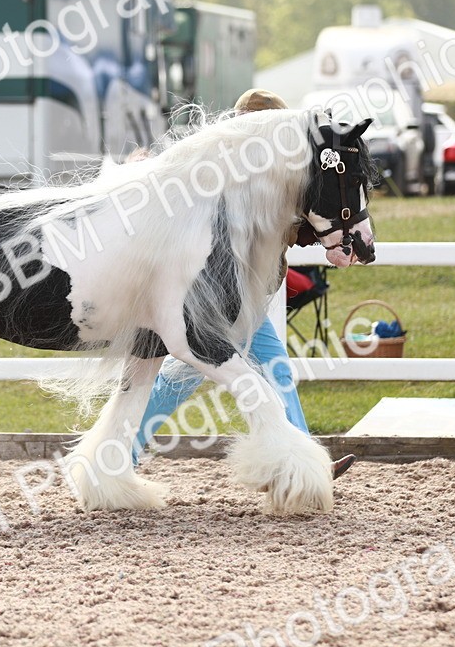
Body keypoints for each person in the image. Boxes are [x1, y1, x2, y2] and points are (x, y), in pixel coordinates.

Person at [130, 90, 356, 479]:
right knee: (178, 384)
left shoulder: (268, 174)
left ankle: (304, 461)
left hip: (242, 305)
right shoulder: (229, 176)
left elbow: (296, 225)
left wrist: (329, 241)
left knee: (272, 374)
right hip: (214, 305)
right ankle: (120, 453)